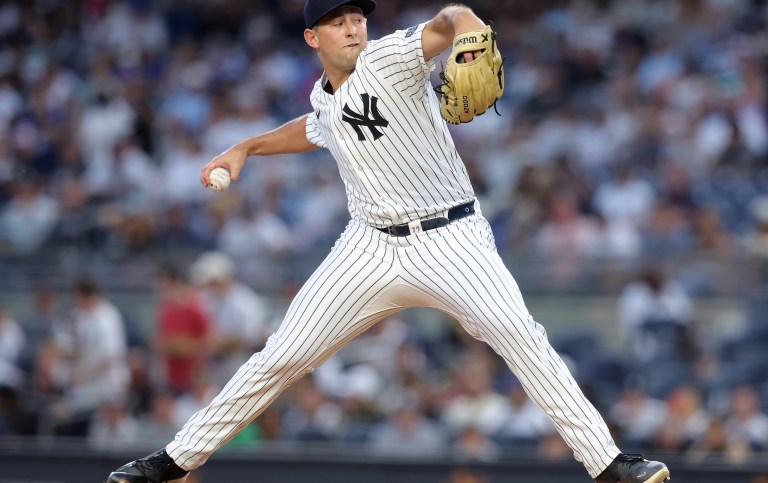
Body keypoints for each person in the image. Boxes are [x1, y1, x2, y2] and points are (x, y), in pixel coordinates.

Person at [106, 1, 669, 482]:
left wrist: (470, 24)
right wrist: (246, 147)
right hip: (369, 246)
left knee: (521, 335)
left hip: (451, 238)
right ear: (312, 38)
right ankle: (174, 461)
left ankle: (609, 464)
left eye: (357, 17)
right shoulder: (325, 94)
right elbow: (311, 127)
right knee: (281, 356)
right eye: (337, 21)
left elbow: (448, 21)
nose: (353, 28)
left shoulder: (390, 58)